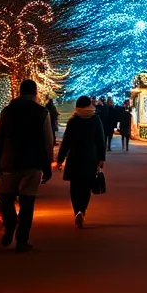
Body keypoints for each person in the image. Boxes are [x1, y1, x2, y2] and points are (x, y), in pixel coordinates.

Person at [0, 79, 54, 253]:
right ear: (35, 93)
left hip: (9, 163)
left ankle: (10, 224)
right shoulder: (42, 113)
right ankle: (22, 240)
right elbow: (48, 142)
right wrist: (47, 166)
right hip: (33, 164)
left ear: (19, 92)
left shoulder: (7, 112)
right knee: (27, 202)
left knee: (6, 198)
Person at [56, 95, 105, 228]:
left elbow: (66, 142)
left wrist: (60, 160)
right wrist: (101, 159)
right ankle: (82, 211)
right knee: (86, 187)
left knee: (75, 186)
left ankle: (76, 210)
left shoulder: (73, 121)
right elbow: (101, 140)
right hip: (90, 157)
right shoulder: (95, 120)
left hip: (75, 157)